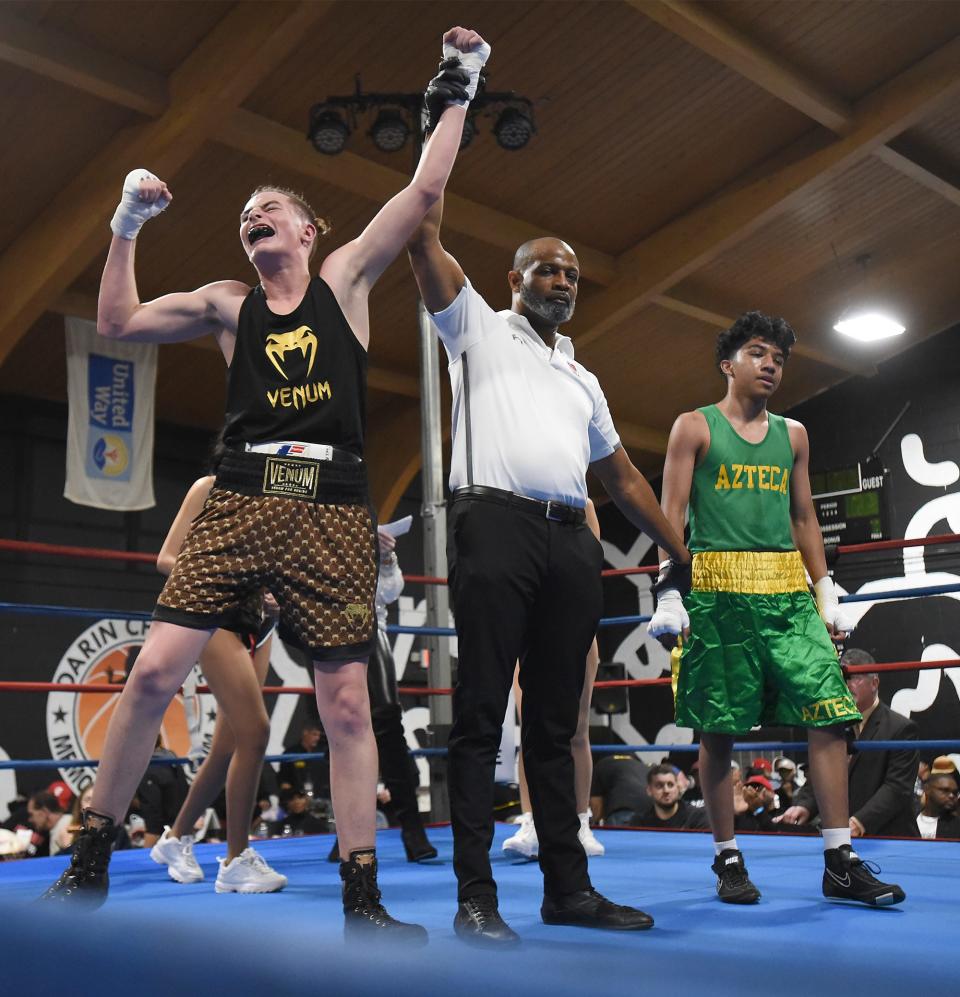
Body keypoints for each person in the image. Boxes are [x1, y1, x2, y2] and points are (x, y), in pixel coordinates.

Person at [39, 26, 489, 943]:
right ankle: (89, 860)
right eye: (245, 211)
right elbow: (117, 319)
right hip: (241, 497)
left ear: (307, 229)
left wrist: (459, 85)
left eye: (270, 206)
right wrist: (126, 224)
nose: (254, 215)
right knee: (157, 668)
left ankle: (364, 894)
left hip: (332, 506)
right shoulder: (223, 304)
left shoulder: (345, 275)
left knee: (348, 701)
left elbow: (426, 190)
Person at [406, 195, 690, 945]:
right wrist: (452, 108)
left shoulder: (581, 377)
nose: (562, 280)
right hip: (494, 523)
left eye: (571, 273)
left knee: (557, 722)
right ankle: (475, 898)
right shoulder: (474, 327)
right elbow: (421, 234)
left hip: (571, 540)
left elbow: (624, 477)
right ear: (513, 279)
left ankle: (568, 888)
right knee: (479, 714)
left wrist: (680, 551)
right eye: (546, 269)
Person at [649, 311, 905, 907]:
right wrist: (666, 588)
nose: (771, 366)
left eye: (780, 359)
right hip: (715, 587)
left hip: (787, 590)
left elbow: (803, 517)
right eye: (759, 354)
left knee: (829, 710)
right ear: (728, 363)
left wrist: (826, 589)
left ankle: (839, 859)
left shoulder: (794, 434)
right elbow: (672, 512)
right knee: (717, 731)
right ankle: (727, 857)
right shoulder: (694, 427)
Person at [148, 460, 286, 893]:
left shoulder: (281, 500)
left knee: (229, 746)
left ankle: (175, 838)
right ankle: (234, 858)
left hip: (261, 627)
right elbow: (167, 558)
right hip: (214, 617)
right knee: (257, 732)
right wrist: (230, 584)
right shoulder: (208, 486)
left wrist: (276, 591)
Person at [502, 500, 604, 860]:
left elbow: (592, 567)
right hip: (527, 626)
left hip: (575, 623)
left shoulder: (583, 504)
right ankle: (531, 822)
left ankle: (580, 823)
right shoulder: (513, 503)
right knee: (529, 726)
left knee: (576, 728)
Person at [779, 650, 920, 838]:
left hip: (888, 836)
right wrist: (803, 806)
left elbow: (897, 788)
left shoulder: (900, 728)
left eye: (853, 678)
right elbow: (821, 776)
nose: (845, 685)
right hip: (842, 836)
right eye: (841, 678)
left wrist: (859, 822)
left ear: (874, 683)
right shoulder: (832, 726)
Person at [629, 765, 709, 831]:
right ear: (649, 790)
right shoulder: (639, 822)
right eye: (659, 786)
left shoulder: (697, 817)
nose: (666, 791)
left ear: (678, 788)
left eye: (670, 785)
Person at [916, 771, 960, 839]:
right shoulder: (908, 821)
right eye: (945, 790)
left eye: (955, 793)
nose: (951, 796)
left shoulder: (957, 826)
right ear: (927, 789)